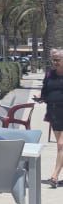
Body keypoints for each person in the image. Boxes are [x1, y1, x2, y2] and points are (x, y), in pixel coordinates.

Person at [40, 48, 63, 188]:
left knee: (61, 145)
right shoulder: (49, 75)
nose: (55, 62)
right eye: (53, 60)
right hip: (54, 112)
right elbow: (44, 91)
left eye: (58, 60)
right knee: (60, 147)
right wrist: (40, 97)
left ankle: (54, 176)